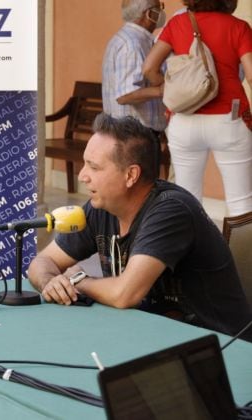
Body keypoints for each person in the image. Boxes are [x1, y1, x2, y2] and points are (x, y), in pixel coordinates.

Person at [28, 113, 252, 341]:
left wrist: (78, 280)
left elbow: (125, 294)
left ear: (131, 175)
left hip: (217, 349)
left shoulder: (171, 211)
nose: (83, 175)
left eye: (94, 167)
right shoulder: (101, 207)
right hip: (150, 338)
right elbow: (43, 262)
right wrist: (52, 282)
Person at [142, 0, 252, 217]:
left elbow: (148, 69)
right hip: (229, 119)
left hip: (184, 118)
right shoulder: (238, 27)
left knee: (187, 198)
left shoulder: (177, 24)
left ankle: (191, 251)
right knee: (241, 201)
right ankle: (244, 251)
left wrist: (170, 89)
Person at [102, 0, 167, 136]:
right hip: (134, 135)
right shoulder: (132, 44)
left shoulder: (129, 39)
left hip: (132, 133)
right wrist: (163, 90)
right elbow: (125, 96)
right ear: (149, 13)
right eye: (159, 8)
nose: (161, 12)